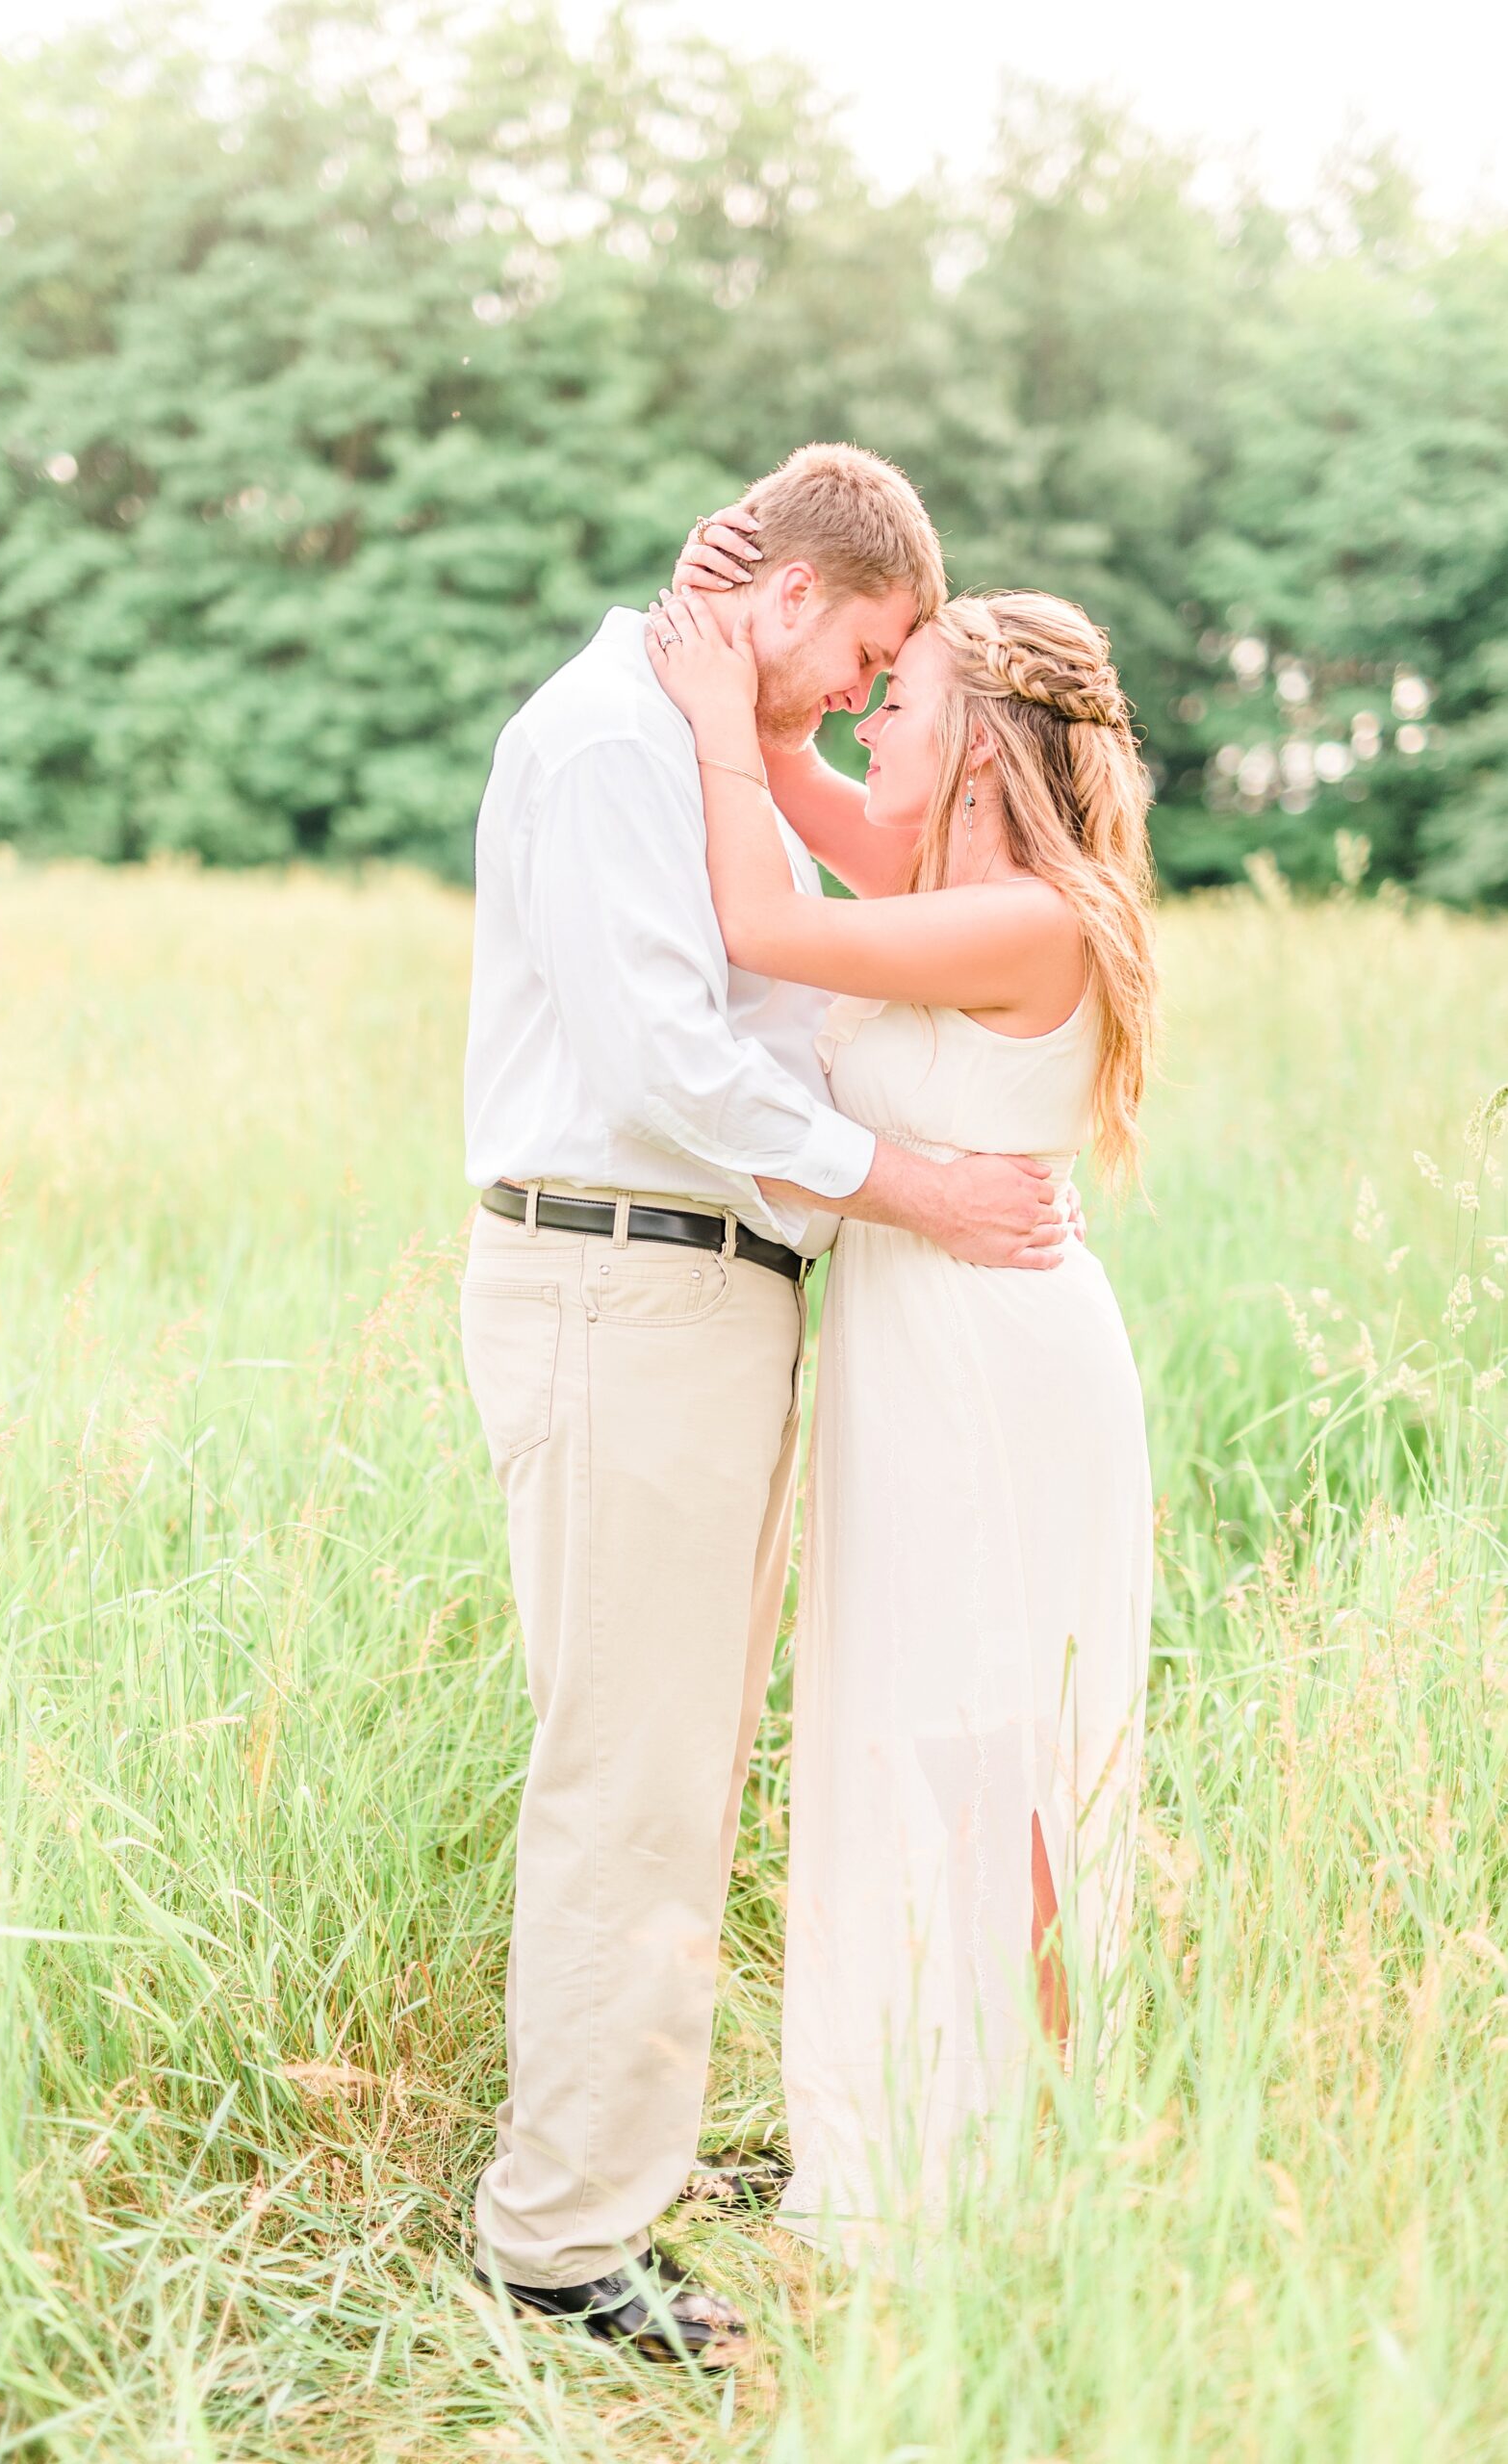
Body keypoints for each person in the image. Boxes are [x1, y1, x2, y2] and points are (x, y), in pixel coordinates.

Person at [460, 445, 1071, 2365]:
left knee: (678, 1764)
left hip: (693, 1294)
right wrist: (923, 1189)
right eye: (865, 645)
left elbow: (790, 992)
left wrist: (751, 721)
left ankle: (608, 2161)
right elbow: (670, 1067)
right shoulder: (605, 745)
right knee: (631, 1770)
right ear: (788, 593)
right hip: (623, 1272)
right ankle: (561, 2243)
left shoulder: (679, 735)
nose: (858, 691)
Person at [647, 531, 1157, 2248]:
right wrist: (736, 606)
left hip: (988, 1357)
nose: (871, 721)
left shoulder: (1018, 915)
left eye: (902, 699)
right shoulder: (950, 880)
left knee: (989, 1741)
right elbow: (802, 781)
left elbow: (754, 911)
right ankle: (950, 2124)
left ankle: (1010, 2155)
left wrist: (720, 707)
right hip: (928, 1331)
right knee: (924, 1726)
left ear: (986, 737)